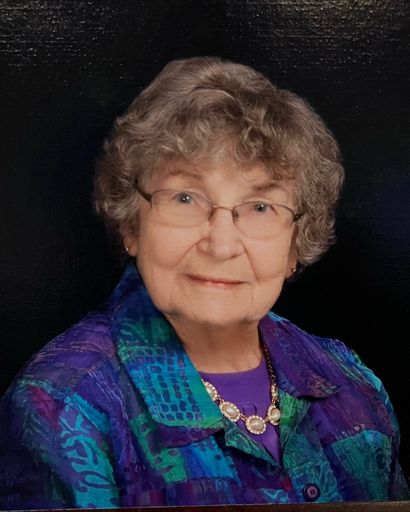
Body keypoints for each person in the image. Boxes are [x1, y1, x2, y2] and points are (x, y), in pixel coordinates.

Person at [0, 56, 408, 509]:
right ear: (132, 225)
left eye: (260, 207)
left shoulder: (350, 380)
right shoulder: (62, 403)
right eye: (185, 198)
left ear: (295, 245)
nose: (221, 244)